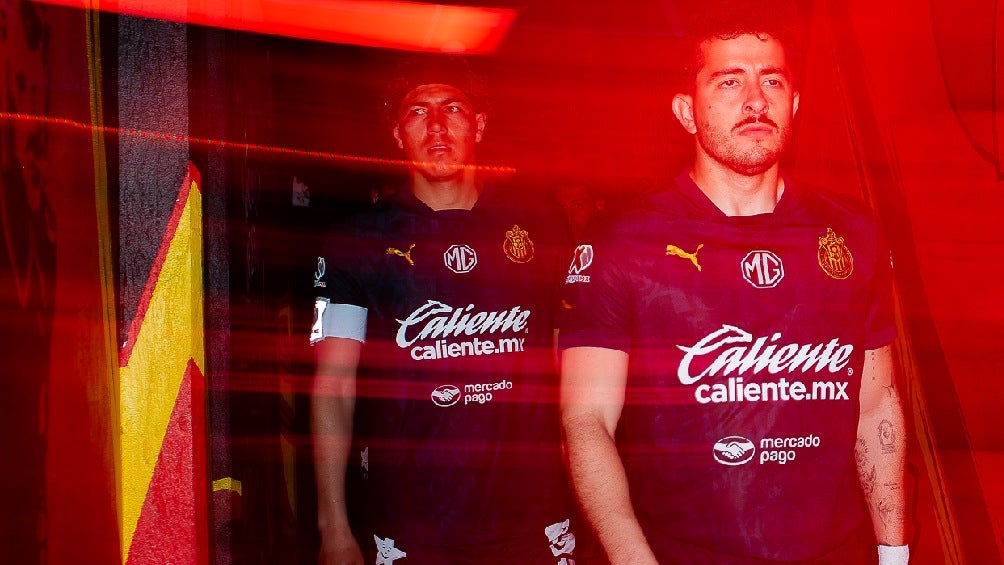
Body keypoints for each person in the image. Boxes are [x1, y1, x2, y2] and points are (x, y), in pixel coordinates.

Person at [557, 12, 909, 565]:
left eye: (772, 81)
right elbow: (587, 422)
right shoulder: (624, 241)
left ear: (795, 104)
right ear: (685, 111)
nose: (756, 100)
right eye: (729, 81)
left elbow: (877, 405)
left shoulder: (852, 232)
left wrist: (895, 553)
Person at [310, 55, 581, 564]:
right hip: (409, 522)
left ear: (479, 124)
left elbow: (570, 369)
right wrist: (334, 526)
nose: (436, 125)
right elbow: (334, 385)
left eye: (453, 108)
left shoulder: (539, 225)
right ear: (397, 133)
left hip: (533, 517)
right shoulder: (355, 240)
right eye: (418, 111)